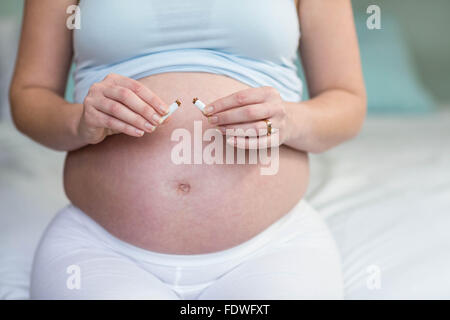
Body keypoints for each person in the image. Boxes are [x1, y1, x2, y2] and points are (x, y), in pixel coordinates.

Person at [9, 0, 366, 299]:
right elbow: (30, 95)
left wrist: (290, 120)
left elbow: (347, 101)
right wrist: (79, 122)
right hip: (100, 249)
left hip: (274, 247)